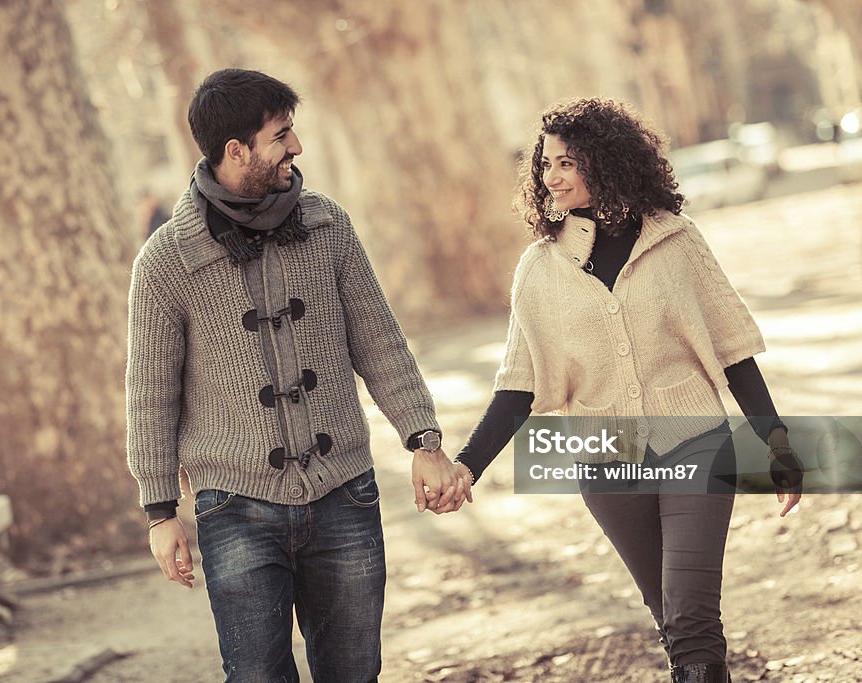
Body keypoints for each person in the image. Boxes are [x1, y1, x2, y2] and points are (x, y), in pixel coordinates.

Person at [125, 68, 470, 682]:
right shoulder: (166, 261)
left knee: (354, 673)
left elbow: (380, 342)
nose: (297, 147)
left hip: (345, 495)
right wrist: (159, 512)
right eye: (282, 134)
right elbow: (150, 395)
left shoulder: (328, 225)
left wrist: (424, 442)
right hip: (233, 506)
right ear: (237, 151)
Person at [453, 98, 803, 683]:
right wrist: (468, 465)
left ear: (606, 161)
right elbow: (518, 384)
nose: (552, 177)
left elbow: (733, 351)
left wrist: (777, 442)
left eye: (566, 162)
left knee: (692, 614)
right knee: (669, 616)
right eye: (545, 165)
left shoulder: (676, 241)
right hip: (607, 460)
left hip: (695, 443)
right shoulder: (539, 268)